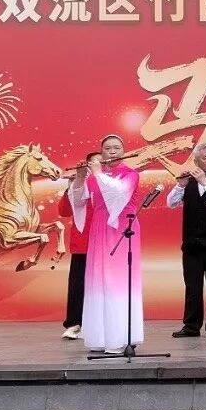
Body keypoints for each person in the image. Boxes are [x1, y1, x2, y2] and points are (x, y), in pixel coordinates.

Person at [70, 134, 144, 354]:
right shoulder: (95, 176)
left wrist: (98, 173)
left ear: (123, 150)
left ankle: (119, 337)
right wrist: (80, 178)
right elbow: (78, 201)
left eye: (116, 147)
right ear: (101, 152)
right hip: (99, 228)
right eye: (107, 148)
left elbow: (118, 195)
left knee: (116, 281)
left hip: (122, 227)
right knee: (98, 280)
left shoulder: (131, 174)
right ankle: (100, 337)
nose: (112, 151)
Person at [166, 143, 206, 339]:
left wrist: (204, 181)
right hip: (191, 243)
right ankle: (191, 326)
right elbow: (170, 203)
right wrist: (180, 185)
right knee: (192, 286)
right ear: (196, 162)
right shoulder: (188, 181)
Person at [58, 152, 99, 340]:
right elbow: (64, 211)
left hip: (105, 242)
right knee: (78, 284)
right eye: (93, 162)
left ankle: (100, 323)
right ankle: (75, 323)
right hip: (83, 242)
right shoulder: (79, 183)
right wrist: (73, 185)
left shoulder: (109, 183)